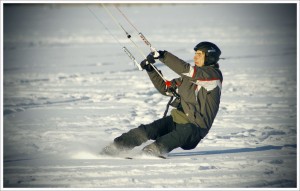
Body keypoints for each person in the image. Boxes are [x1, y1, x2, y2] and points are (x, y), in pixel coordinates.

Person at [101, 41, 223, 157]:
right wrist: (151, 70)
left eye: (199, 54)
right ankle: (115, 148)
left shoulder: (213, 76)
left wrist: (163, 56)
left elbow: (188, 71)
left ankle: (152, 151)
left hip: (195, 128)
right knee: (147, 130)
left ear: (209, 56)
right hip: (176, 120)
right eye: (195, 54)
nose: (195, 57)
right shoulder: (188, 78)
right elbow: (166, 88)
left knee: (187, 130)